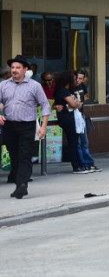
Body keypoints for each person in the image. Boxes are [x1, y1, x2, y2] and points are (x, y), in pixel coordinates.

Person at [0, 55, 51, 199]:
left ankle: (22, 185)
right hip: (9, 125)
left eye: (18, 68)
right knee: (14, 155)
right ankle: (18, 183)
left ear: (25, 70)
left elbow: (45, 105)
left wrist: (43, 127)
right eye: (13, 67)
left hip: (27, 126)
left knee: (24, 154)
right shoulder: (4, 85)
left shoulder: (34, 86)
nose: (14, 70)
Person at [54, 71, 93, 174]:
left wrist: (75, 104)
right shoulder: (62, 90)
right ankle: (77, 166)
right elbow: (74, 104)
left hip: (73, 117)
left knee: (76, 142)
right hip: (67, 118)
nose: (76, 81)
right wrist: (74, 104)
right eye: (74, 78)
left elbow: (79, 102)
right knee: (73, 143)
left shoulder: (69, 90)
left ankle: (81, 165)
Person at [74, 70, 101, 172]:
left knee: (84, 141)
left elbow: (86, 96)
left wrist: (83, 99)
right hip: (74, 115)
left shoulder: (82, 86)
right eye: (77, 78)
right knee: (79, 142)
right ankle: (84, 163)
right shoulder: (71, 87)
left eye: (81, 79)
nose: (78, 81)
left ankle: (89, 163)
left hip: (81, 114)